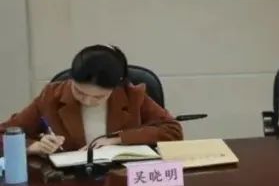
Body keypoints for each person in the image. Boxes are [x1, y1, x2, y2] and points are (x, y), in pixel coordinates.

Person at [0, 45, 181, 155]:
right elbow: (3, 134)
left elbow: (173, 131)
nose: (87, 101)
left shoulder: (132, 95)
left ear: (115, 87)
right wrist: (35, 146)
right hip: (68, 185)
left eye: (98, 97)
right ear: (71, 79)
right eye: (79, 92)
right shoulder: (51, 96)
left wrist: (117, 140)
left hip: (121, 182)